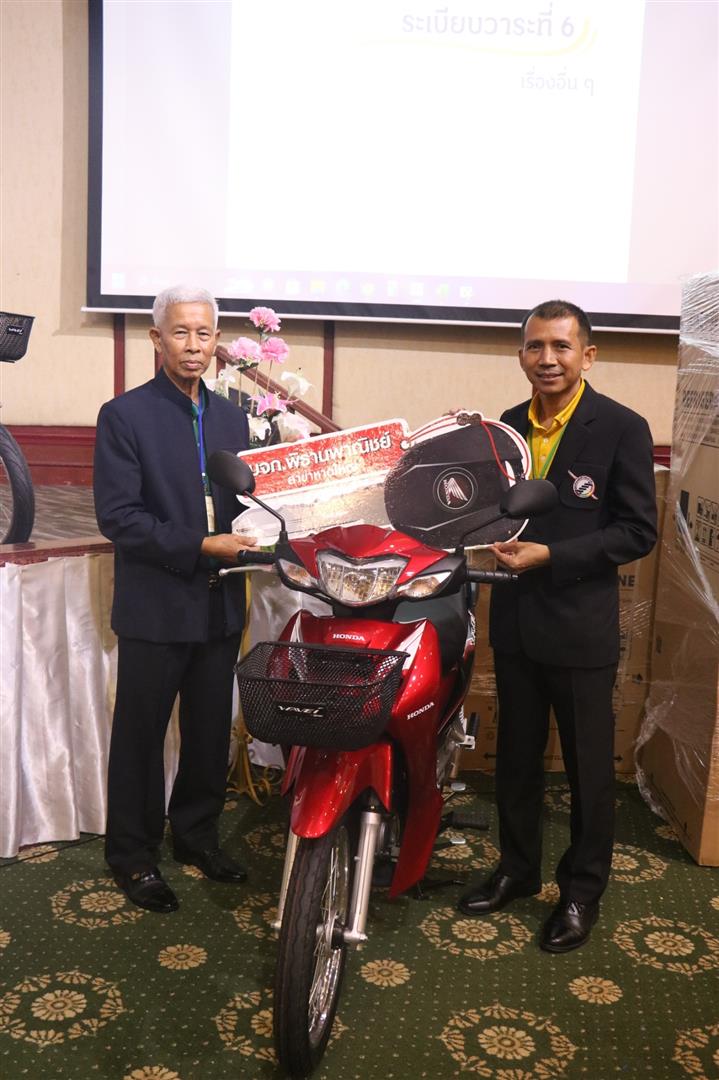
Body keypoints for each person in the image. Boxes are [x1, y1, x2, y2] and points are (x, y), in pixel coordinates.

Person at [458, 299, 657, 952]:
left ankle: (580, 893)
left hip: (578, 629)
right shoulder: (507, 428)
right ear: (520, 354)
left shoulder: (621, 428)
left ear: (587, 356)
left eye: (561, 347)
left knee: (587, 774)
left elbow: (637, 532)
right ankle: (516, 870)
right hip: (515, 623)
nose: (547, 359)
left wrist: (552, 556)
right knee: (514, 762)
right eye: (535, 346)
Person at [94, 284, 258, 914]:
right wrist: (200, 545)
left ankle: (196, 836)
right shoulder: (124, 415)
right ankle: (132, 856)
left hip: (221, 604)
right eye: (181, 332)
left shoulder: (234, 419)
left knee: (209, 732)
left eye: (204, 333)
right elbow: (120, 518)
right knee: (140, 736)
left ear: (217, 341)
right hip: (157, 605)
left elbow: (250, 505)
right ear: (156, 338)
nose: (194, 345)